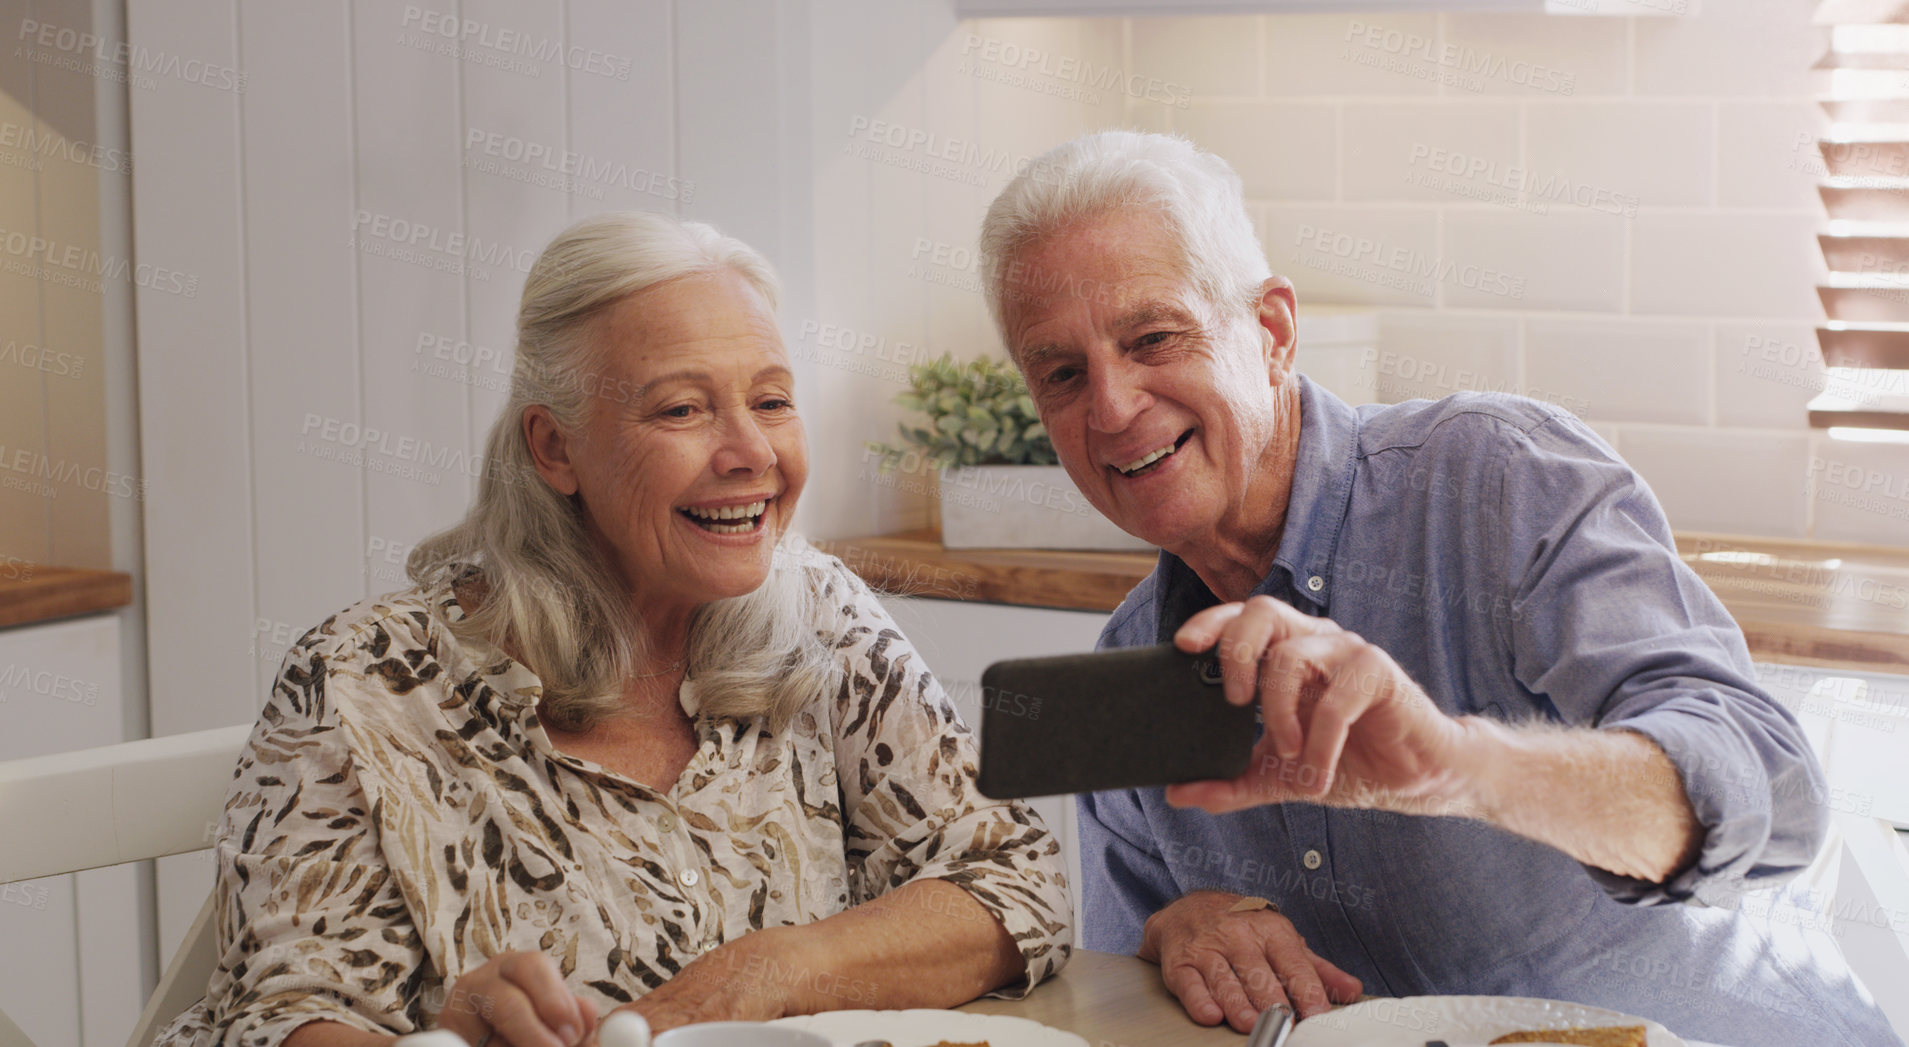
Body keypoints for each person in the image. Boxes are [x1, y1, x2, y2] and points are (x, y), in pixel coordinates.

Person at [976, 131, 1899, 1047]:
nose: (1110, 406)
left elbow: (1776, 799)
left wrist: (1460, 768)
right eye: (1061, 374)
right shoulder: (1125, 675)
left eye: (1153, 337)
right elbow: (1122, 1000)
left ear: (1270, 333)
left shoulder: (1496, 480)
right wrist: (1179, 930)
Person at [157, 211, 1072, 1046]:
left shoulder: (820, 611)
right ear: (554, 448)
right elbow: (282, 1014)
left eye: (771, 399)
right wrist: (442, 1032)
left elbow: (1013, 878)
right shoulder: (364, 679)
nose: (751, 452)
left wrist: (772, 971)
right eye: (681, 408)